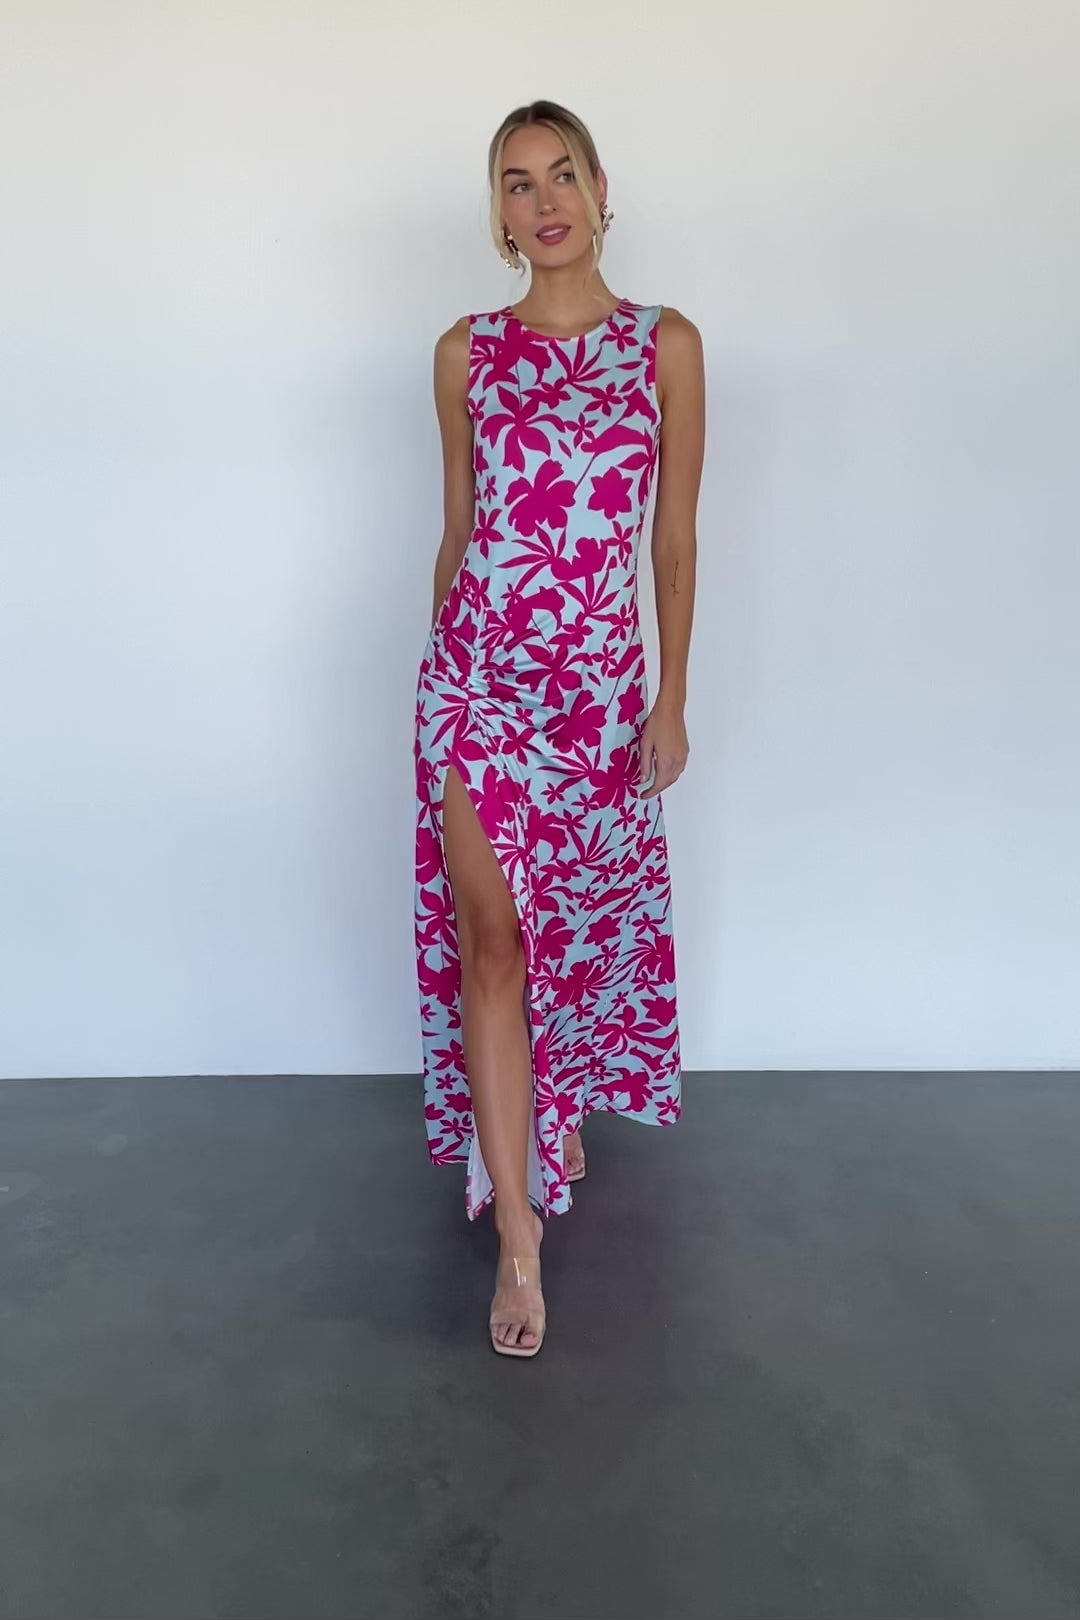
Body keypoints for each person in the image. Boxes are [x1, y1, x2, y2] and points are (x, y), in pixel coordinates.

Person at [413, 100, 704, 1358]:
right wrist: (439, 689)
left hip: (594, 701)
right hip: (478, 687)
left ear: (599, 191)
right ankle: (519, 1232)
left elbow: (672, 539)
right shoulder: (464, 352)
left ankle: (560, 1095)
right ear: (499, 213)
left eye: (562, 174)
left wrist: (670, 699)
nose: (543, 202)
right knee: (493, 946)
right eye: (518, 183)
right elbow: (460, 533)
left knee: (569, 935)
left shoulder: (665, 345)